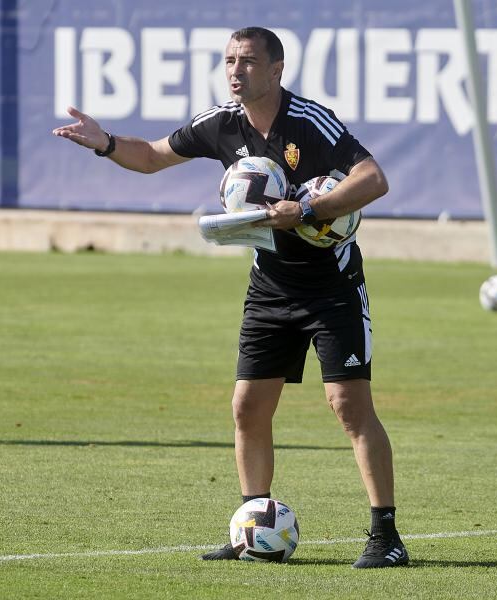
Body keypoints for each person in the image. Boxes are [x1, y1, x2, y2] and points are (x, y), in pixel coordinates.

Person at [53, 26, 408, 569]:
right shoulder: (220, 124)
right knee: (247, 407)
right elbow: (150, 156)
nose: (236, 71)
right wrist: (104, 143)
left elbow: (373, 179)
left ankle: (386, 537)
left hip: (331, 287)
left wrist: (310, 211)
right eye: (229, 61)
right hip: (270, 287)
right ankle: (252, 528)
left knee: (349, 406)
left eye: (247, 61)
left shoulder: (309, 123)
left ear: (276, 70)